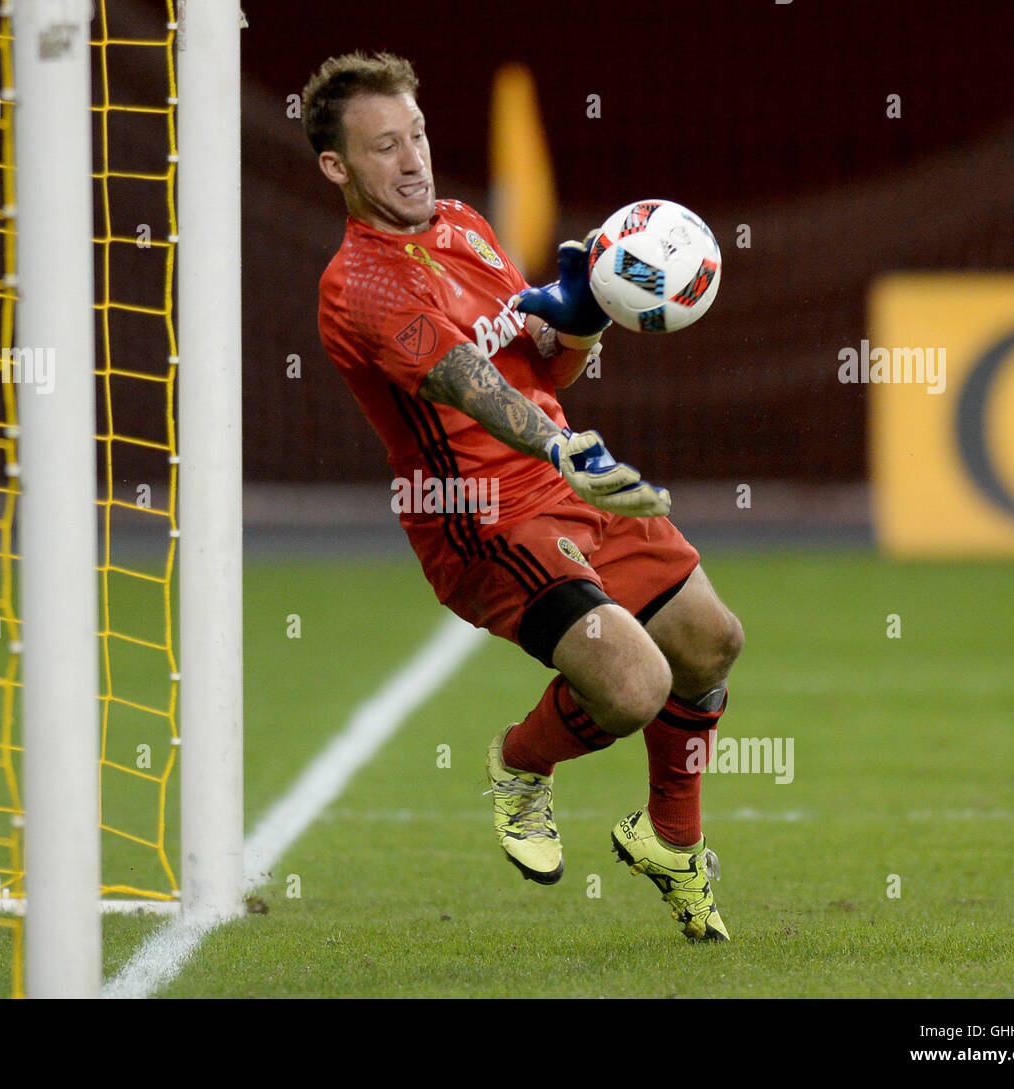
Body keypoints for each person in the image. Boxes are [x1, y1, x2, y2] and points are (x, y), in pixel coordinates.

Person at [303, 52, 744, 940]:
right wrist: (558, 442)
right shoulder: (362, 285)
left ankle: (669, 839)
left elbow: (536, 367)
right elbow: (471, 384)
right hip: (478, 517)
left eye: (418, 135)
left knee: (709, 642)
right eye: (385, 147)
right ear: (337, 168)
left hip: (559, 473)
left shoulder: (464, 224)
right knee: (632, 687)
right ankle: (518, 762)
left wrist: (581, 315)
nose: (414, 160)